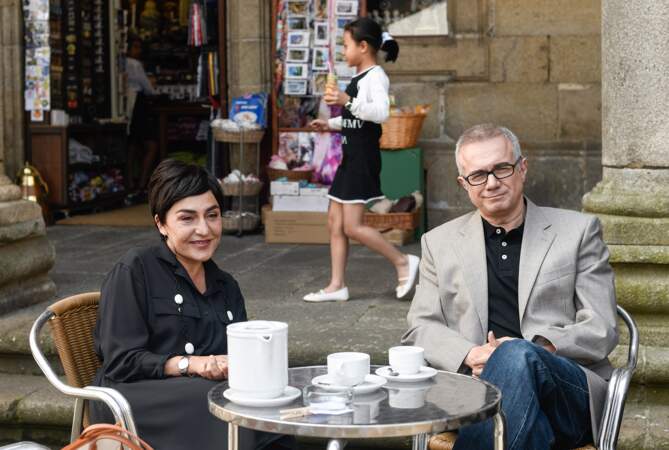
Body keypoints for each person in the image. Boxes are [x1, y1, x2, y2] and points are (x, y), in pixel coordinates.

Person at [402, 124, 619, 449]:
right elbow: (420, 327)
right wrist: (472, 354)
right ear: (464, 184)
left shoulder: (578, 231)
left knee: (516, 355)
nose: (491, 183)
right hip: (475, 392)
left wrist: (534, 348)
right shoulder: (439, 242)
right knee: (525, 423)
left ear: (522, 168)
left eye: (501, 169)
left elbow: (601, 327)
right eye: (478, 175)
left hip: (565, 391)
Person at [90, 160, 293, 450]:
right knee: (225, 408)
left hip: (203, 393)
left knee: (270, 400)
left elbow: (238, 356)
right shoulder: (135, 269)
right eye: (187, 218)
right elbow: (122, 361)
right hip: (133, 398)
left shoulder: (226, 285)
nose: (204, 229)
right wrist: (191, 364)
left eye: (212, 215)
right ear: (161, 223)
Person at [304, 18, 419, 302]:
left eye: (346, 45)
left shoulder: (376, 76)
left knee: (352, 226)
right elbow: (357, 119)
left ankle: (403, 262)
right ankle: (336, 286)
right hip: (350, 157)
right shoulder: (359, 78)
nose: (344, 52)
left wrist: (346, 99)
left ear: (363, 46)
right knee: (334, 221)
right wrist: (330, 125)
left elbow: (380, 113)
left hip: (362, 160)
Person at [125, 36, 159, 199]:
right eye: (136, 47)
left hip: (127, 104)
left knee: (132, 144)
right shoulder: (135, 64)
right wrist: (154, 88)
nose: (138, 51)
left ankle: (130, 182)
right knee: (150, 144)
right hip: (139, 104)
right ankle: (142, 184)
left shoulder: (123, 63)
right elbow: (147, 87)